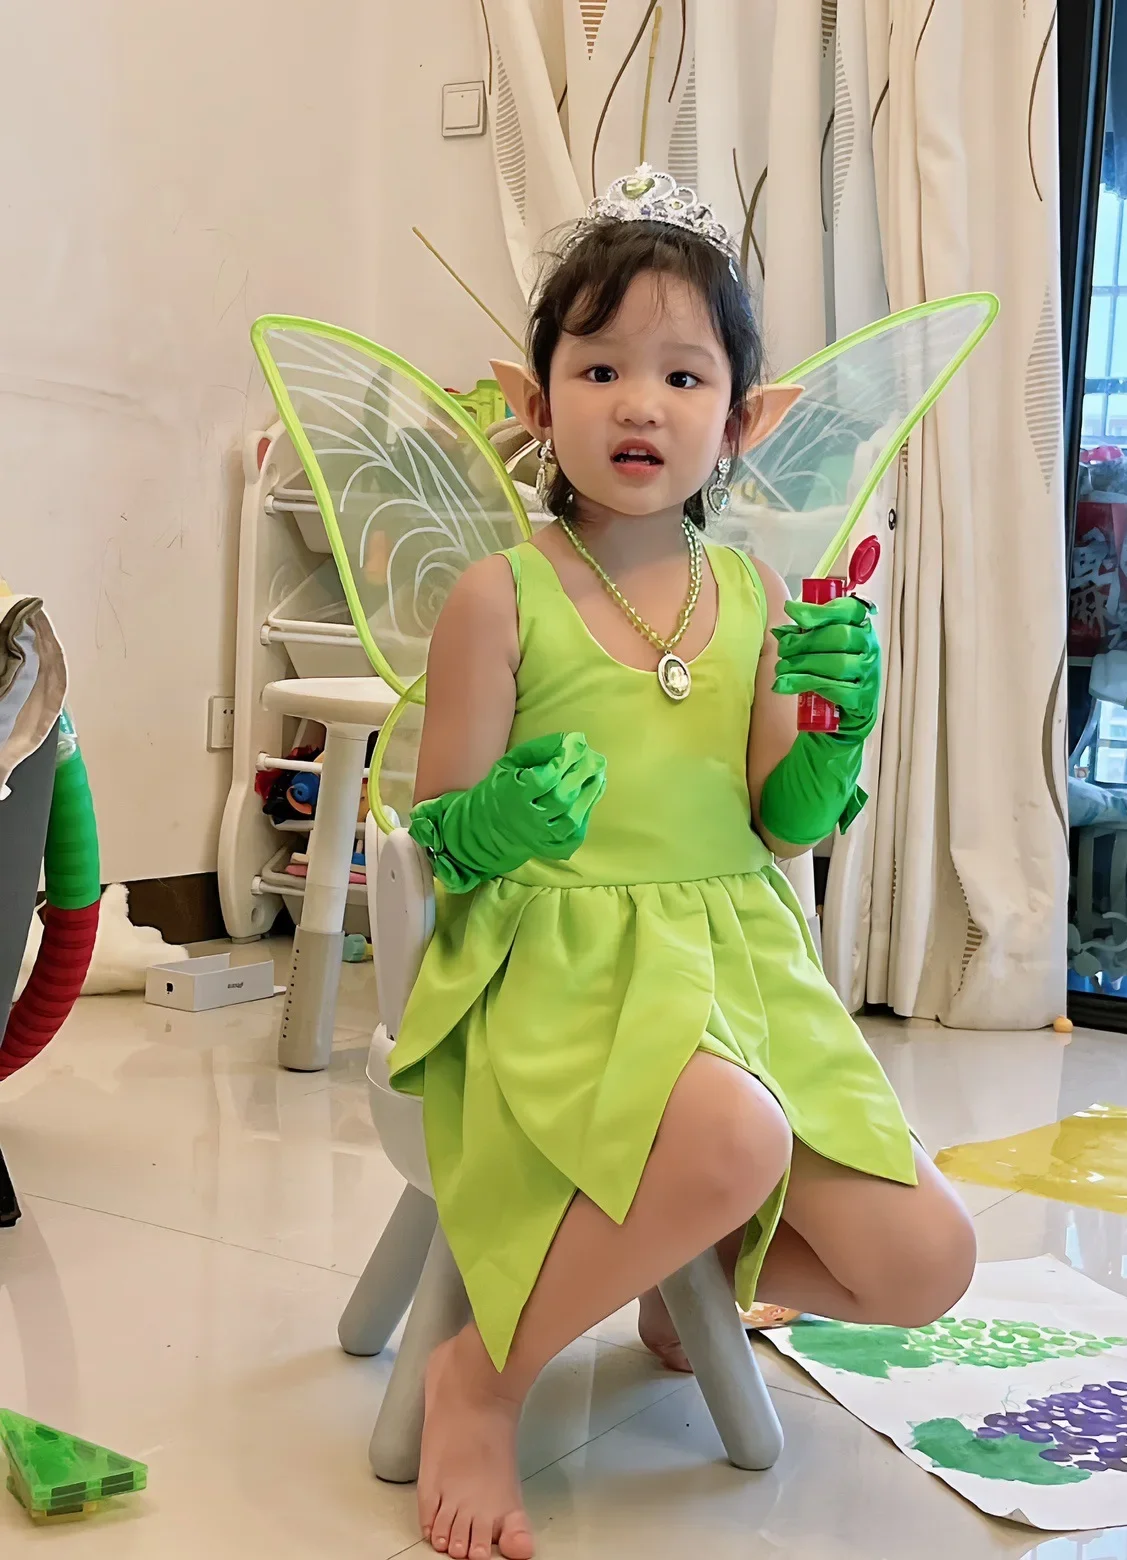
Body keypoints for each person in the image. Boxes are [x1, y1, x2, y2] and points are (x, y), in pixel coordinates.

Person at [388, 169, 976, 1560]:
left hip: (737, 964)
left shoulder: (760, 597)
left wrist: (832, 738)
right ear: (532, 403)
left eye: (680, 372)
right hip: (558, 961)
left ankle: (672, 1276)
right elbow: (431, 835)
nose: (637, 404)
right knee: (733, 1134)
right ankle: (484, 1376)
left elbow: (782, 826)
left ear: (743, 416)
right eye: (596, 368)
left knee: (926, 1262)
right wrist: (502, 822)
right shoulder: (500, 594)